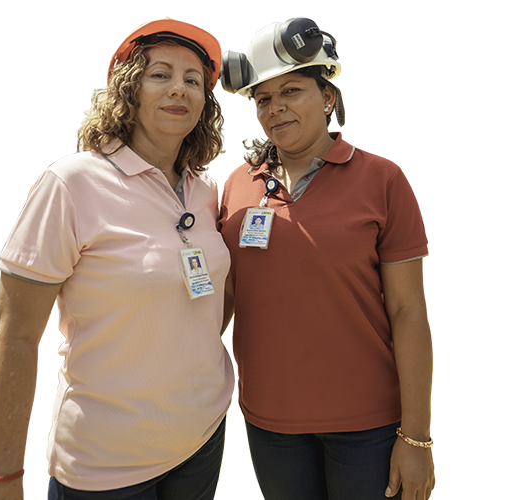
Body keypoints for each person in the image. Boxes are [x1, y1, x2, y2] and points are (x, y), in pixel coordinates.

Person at [0, 19, 235, 500]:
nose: (178, 88)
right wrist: (2, 480)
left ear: (205, 102)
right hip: (104, 467)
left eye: (192, 80)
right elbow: (16, 338)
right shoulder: (70, 184)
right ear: (129, 88)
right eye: (160, 74)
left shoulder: (205, 192)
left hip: (201, 439)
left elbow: (207, 306)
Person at [218, 18, 435, 500]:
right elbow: (222, 301)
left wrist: (417, 436)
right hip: (270, 422)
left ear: (328, 97)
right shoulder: (236, 186)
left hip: (368, 426)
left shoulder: (383, 180)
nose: (275, 109)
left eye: (291, 91)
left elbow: (407, 312)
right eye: (263, 99)